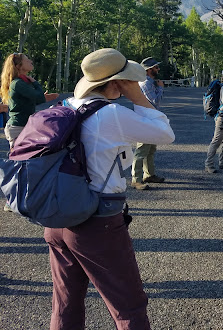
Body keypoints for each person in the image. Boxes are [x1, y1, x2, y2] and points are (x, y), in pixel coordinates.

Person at [44, 48, 175, 330]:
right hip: (97, 222)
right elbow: (166, 134)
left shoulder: (65, 107)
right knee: (129, 306)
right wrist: (138, 97)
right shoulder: (111, 114)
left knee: (65, 303)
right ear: (117, 83)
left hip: (56, 218)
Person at [1, 53, 59, 148]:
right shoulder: (18, 83)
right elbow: (38, 97)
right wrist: (36, 84)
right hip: (18, 128)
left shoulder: (22, 82)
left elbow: (29, 102)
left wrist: (42, 98)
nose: (31, 61)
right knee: (20, 156)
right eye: (27, 60)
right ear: (18, 66)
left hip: (24, 126)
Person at [131, 57, 166, 190]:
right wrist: (161, 88)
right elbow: (155, 100)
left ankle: (149, 174)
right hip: (145, 119)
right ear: (149, 69)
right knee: (141, 150)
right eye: (156, 67)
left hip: (151, 118)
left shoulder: (150, 82)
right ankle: (136, 180)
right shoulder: (145, 83)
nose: (158, 69)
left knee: (151, 149)